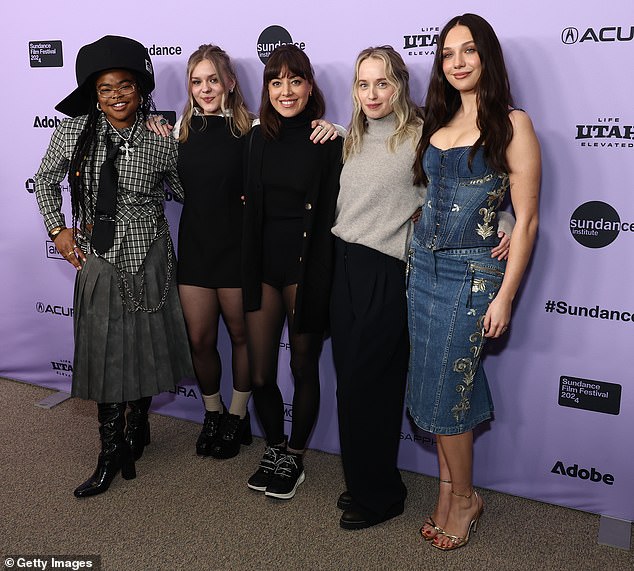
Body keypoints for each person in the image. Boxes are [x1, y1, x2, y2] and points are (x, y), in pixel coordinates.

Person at [330, 46, 513, 531]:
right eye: (363, 84)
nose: (372, 94)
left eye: (382, 83)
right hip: (342, 264)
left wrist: (508, 217)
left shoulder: (423, 135)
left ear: (400, 85)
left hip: (387, 269)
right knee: (350, 384)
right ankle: (366, 480)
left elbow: (474, 184)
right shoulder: (353, 134)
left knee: (374, 386)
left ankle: (381, 496)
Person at [147, 45, 338, 459]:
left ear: (231, 82)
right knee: (199, 338)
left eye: (213, 79)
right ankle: (212, 413)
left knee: (242, 339)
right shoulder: (177, 131)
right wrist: (152, 126)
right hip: (197, 250)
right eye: (196, 81)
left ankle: (237, 417)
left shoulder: (253, 130)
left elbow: (301, 145)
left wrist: (337, 128)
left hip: (241, 254)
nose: (205, 88)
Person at [34, 36, 194, 497]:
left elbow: (185, 192)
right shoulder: (73, 131)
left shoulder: (161, 135)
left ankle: (137, 429)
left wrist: (199, 153)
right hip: (98, 255)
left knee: (144, 345)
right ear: (94, 93)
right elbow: (44, 179)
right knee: (105, 355)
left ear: (141, 88)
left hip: (150, 252)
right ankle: (110, 453)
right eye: (106, 88)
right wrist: (57, 229)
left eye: (126, 85)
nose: (117, 95)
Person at [407, 13, 540, 550]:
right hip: (422, 273)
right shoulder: (435, 121)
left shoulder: (513, 124)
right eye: (447, 54)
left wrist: (505, 294)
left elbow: (526, 220)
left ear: (486, 56)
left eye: (468, 51)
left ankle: (465, 499)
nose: (457, 62)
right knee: (434, 389)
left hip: (472, 277)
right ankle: (447, 491)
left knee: (447, 392)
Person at [242, 44, 343, 500]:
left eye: (295, 80)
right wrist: (161, 123)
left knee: (303, 365)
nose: (286, 90)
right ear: (267, 88)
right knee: (261, 372)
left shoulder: (328, 140)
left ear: (309, 87)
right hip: (263, 265)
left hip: (307, 266)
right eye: (276, 81)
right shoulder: (257, 138)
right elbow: (202, 134)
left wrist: (342, 129)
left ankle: (296, 457)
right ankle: (276, 447)